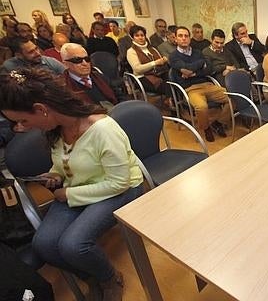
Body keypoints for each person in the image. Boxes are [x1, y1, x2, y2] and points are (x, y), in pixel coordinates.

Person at [0, 68, 144, 300]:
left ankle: (109, 277)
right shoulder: (56, 129)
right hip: (78, 187)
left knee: (73, 244)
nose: (22, 128)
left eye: (23, 121)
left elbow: (120, 182)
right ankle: (92, 276)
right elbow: (65, 160)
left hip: (119, 188)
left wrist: (68, 194)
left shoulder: (102, 130)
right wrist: (56, 174)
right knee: (44, 245)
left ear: (41, 110)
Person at [169, 26, 230, 142]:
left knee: (233, 96)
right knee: (201, 107)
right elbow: (187, 68)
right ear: (175, 39)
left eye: (186, 36)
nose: (183, 39)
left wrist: (193, 72)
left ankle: (218, 123)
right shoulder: (173, 56)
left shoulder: (198, 52)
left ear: (189, 38)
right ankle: (206, 128)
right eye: (180, 36)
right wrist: (200, 64)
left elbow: (209, 69)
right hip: (190, 89)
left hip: (206, 84)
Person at [60, 43, 120, 109]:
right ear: (66, 64)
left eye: (87, 59)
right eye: (77, 60)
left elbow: (119, 95)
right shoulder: (62, 86)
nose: (85, 63)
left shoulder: (99, 77)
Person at [126, 25, 172, 100]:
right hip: (143, 78)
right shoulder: (131, 51)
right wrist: (155, 63)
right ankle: (172, 104)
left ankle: (174, 102)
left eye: (142, 35)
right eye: (137, 35)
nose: (140, 37)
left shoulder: (152, 49)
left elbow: (160, 61)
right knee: (169, 86)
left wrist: (163, 60)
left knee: (175, 81)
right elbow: (138, 69)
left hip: (158, 73)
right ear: (132, 37)